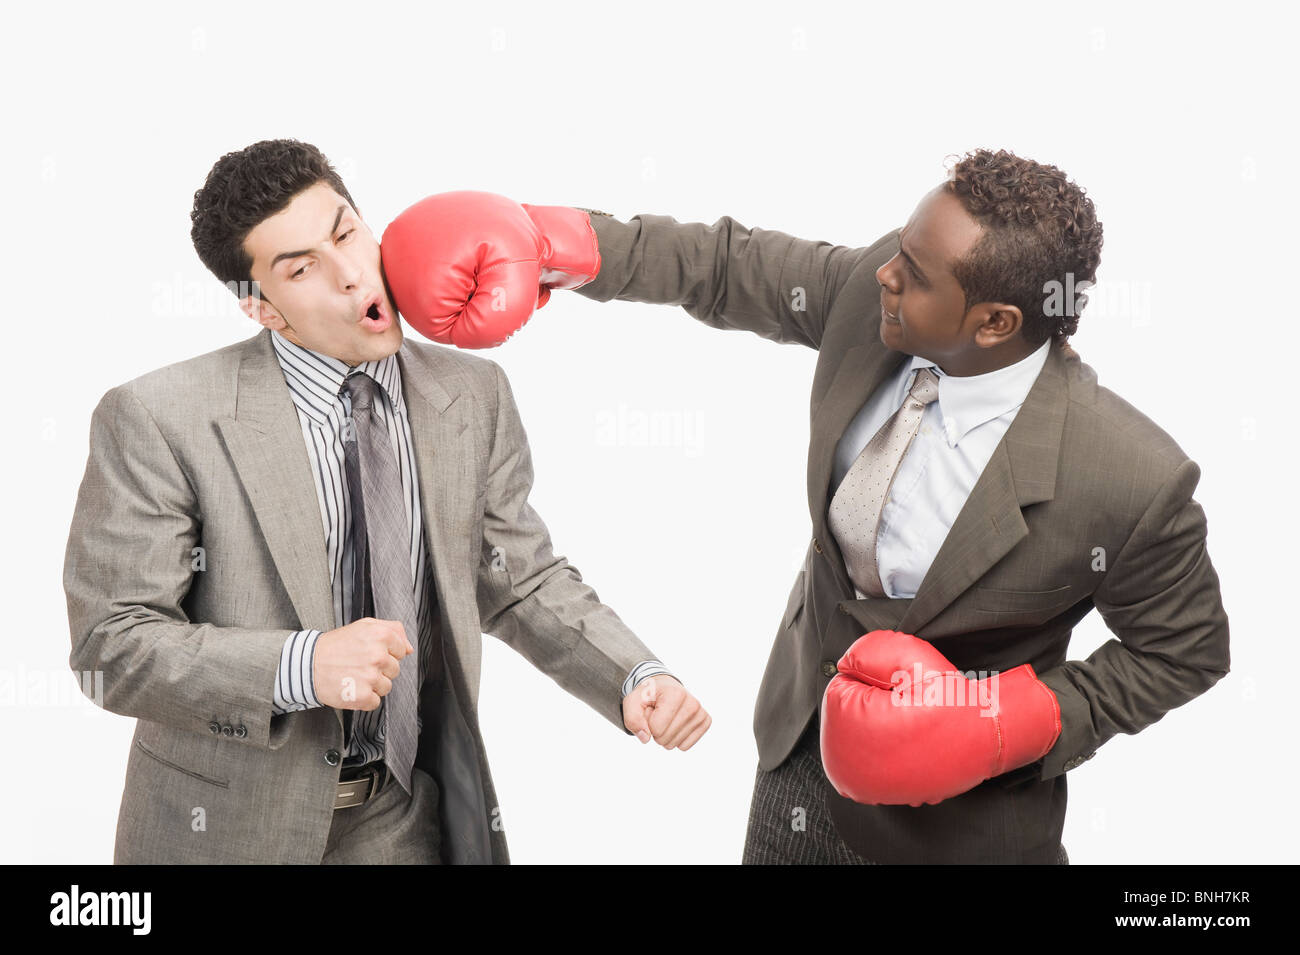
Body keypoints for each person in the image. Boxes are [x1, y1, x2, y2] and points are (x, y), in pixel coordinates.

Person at [395, 147, 1230, 863]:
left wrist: (1012, 721)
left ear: (996, 321)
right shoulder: (880, 298)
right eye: (898, 249)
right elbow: (724, 265)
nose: (884, 274)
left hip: (965, 828)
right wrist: (553, 241)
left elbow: (1183, 651)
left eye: (915, 272)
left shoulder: (1130, 477)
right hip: (794, 753)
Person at [62, 138, 710, 865]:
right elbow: (111, 646)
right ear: (262, 309)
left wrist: (631, 673)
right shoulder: (158, 417)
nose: (347, 275)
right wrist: (302, 665)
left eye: (345, 233)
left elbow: (516, 577)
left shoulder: (473, 393)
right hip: (224, 828)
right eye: (300, 267)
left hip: (402, 817)